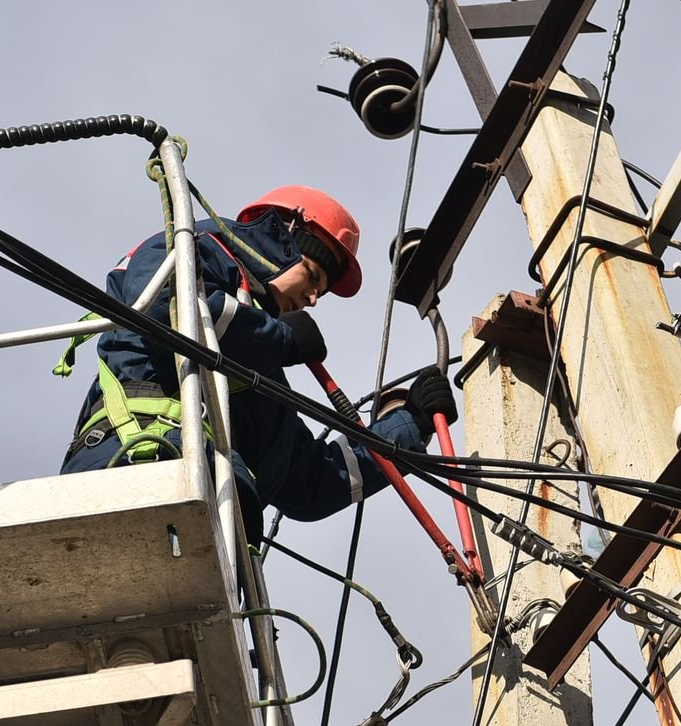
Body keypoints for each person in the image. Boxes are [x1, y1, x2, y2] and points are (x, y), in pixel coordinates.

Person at [60, 185, 459, 546]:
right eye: (313, 276)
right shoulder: (194, 245)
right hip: (128, 464)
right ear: (282, 240)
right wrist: (280, 338)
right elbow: (169, 307)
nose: (313, 299)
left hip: (204, 510)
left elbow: (311, 482)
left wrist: (410, 426)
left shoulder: (256, 378)